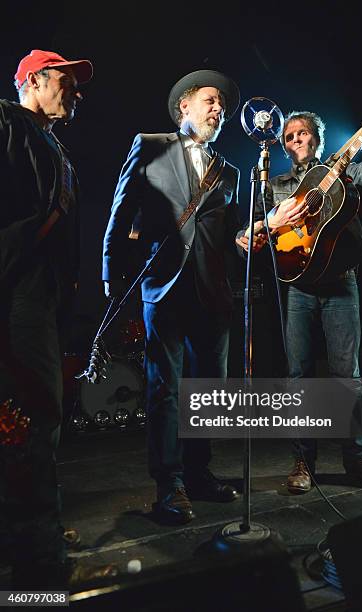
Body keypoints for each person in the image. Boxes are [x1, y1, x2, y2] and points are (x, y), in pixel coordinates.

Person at [237, 104, 362, 494]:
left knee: (346, 378)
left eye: (302, 132)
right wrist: (266, 225)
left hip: (340, 282)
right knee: (299, 376)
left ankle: (357, 460)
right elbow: (250, 235)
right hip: (297, 286)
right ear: (282, 146)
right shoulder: (276, 184)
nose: (295, 139)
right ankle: (304, 460)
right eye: (289, 136)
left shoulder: (341, 172)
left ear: (316, 138)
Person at [103, 70, 242, 524]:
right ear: (184, 106)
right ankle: (170, 485)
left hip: (212, 291)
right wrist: (110, 269)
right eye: (209, 99)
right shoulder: (151, 144)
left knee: (209, 392)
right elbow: (121, 208)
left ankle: (200, 474)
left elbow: (228, 235)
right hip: (164, 284)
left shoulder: (231, 171)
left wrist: (251, 236)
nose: (217, 108)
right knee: (166, 388)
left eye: (222, 103)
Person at [0, 49, 116, 587]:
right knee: (34, 418)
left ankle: (28, 535)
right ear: (33, 81)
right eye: (66, 81)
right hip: (16, 298)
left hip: (39, 301)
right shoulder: (7, 123)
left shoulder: (55, 146)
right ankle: (41, 567)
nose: (76, 92)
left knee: (26, 421)